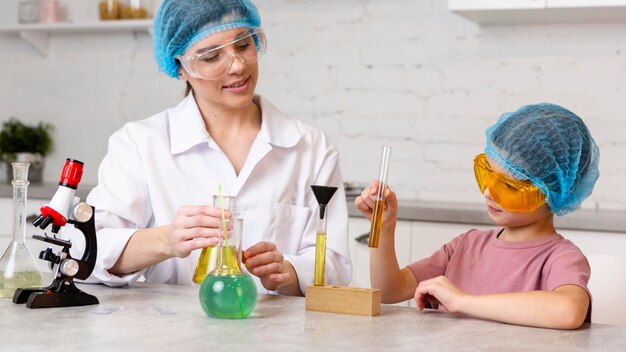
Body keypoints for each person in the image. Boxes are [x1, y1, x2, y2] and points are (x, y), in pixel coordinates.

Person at [68, 0, 351, 296]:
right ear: (180, 69)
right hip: (171, 336)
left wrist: (288, 271)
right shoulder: (140, 144)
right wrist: (167, 240)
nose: (238, 66)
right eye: (212, 56)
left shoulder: (311, 147)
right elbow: (85, 253)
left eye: (243, 46)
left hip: (277, 336)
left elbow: (336, 264)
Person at [356, 103, 600, 329]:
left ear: (553, 192)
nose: (488, 192)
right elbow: (388, 291)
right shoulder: (466, 246)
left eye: (509, 187)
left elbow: (568, 310)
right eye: (486, 175)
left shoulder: (560, 258)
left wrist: (462, 302)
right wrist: (384, 228)